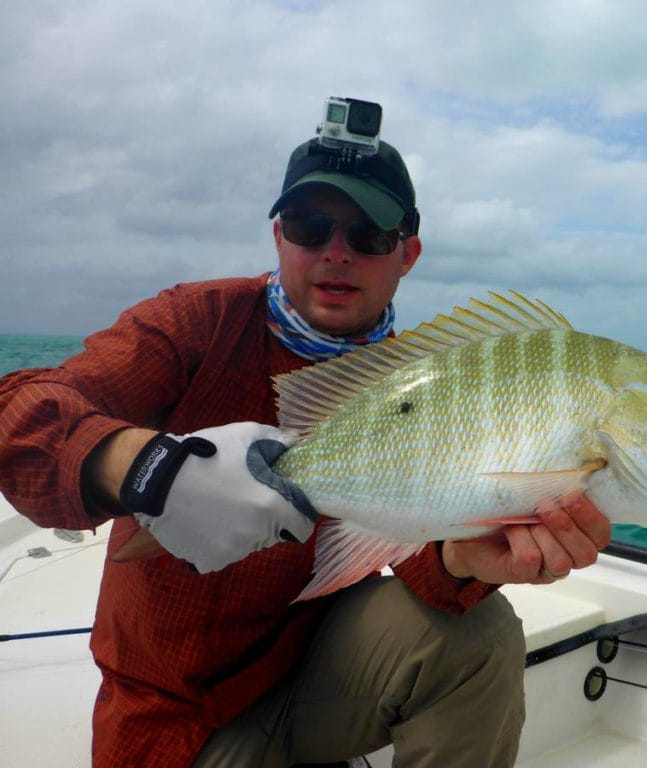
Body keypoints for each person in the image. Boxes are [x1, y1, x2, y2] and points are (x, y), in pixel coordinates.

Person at [0, 110, 612, 768]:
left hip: (310, 679)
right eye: (309, 226)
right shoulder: (198, 322)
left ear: (407, 253)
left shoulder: (417, 382)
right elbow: (18, 410)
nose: (336, 251)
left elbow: (400, 543)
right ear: (278, 237)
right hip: (172, 720)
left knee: (482, 636)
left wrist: (463, 561)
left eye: (370, 233)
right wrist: (150, 467)